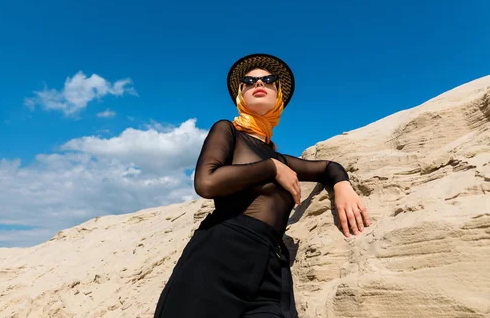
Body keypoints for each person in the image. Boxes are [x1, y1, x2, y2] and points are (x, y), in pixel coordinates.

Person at [153, 53, 370, 318]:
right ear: (240, 94)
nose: (259, 83)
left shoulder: (281, 159)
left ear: (278, 95)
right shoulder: (228, 132)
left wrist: (342, 186)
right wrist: (271, 168)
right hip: (218, 257)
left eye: (268, 80)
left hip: (272, 266)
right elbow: (206, 183)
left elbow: (327, 168)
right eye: (249, 80)